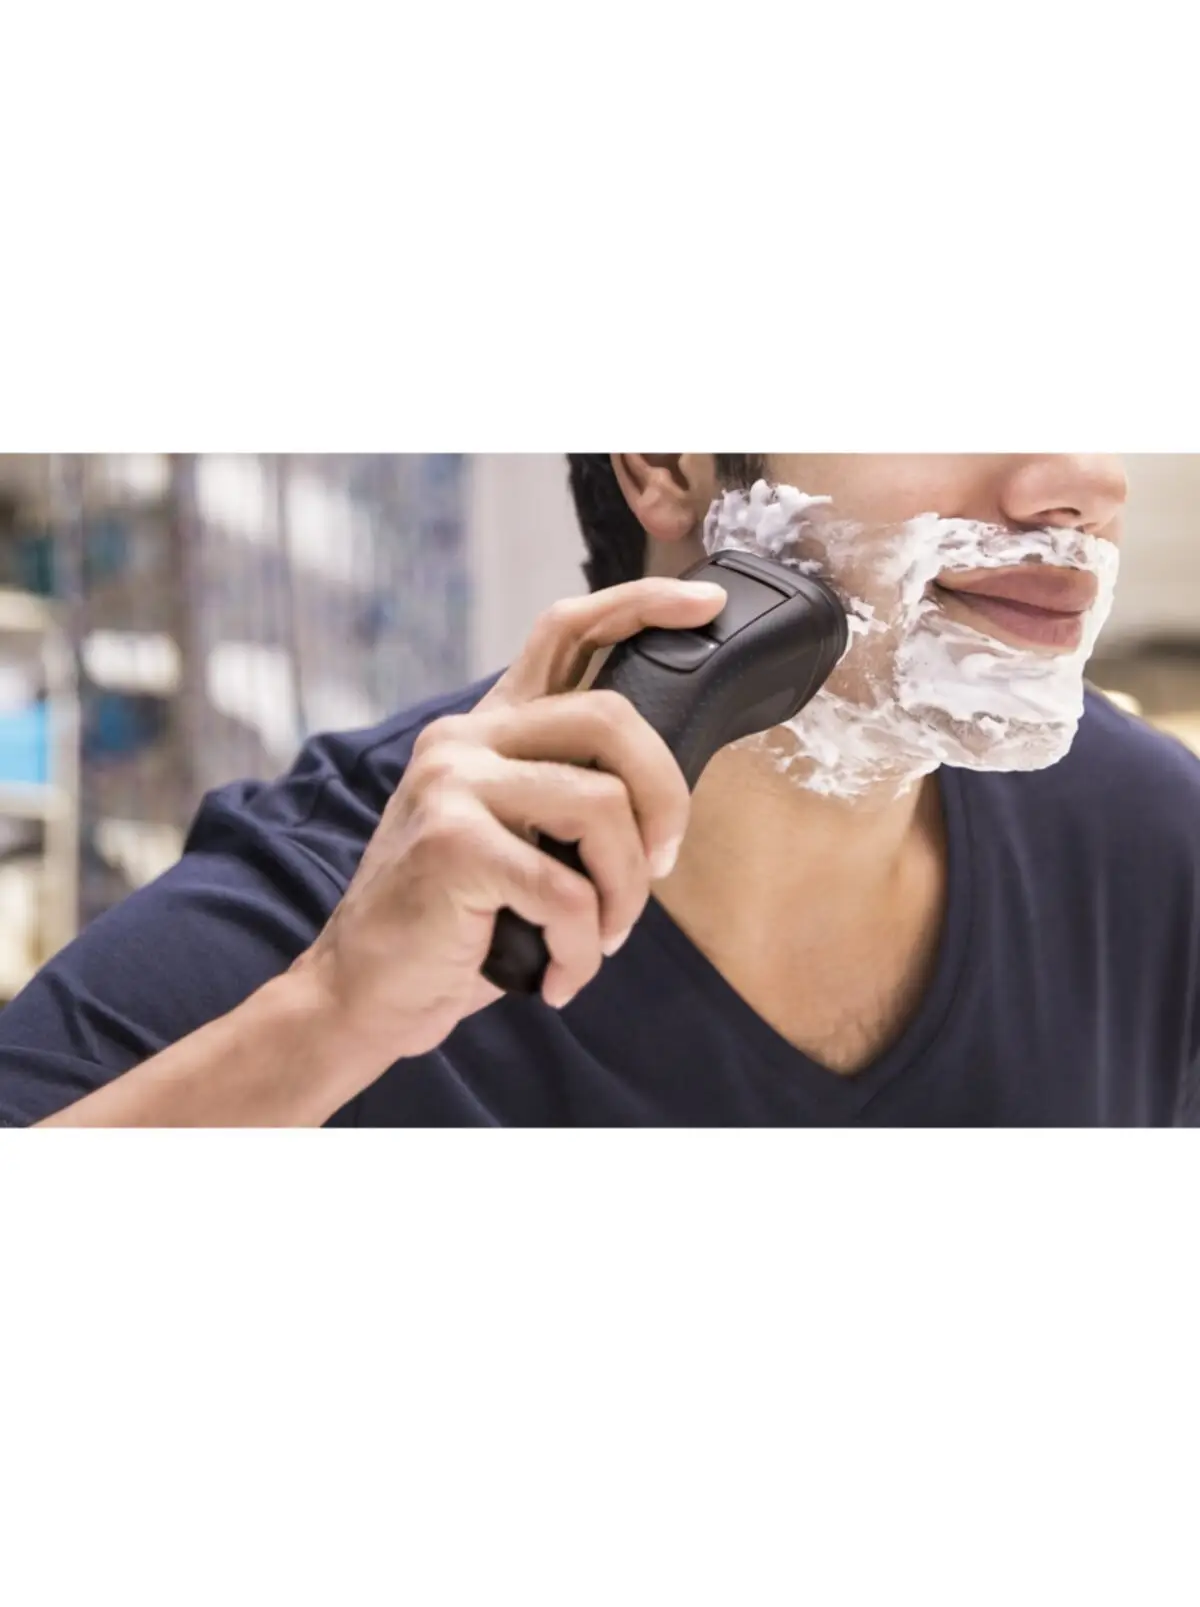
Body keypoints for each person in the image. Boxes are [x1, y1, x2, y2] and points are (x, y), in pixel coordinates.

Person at [2, 454, 1197, 1127]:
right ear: (665, 462)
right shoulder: (323, 915)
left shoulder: (1149, 841)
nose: (1086, 481)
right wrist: (331, 1016)